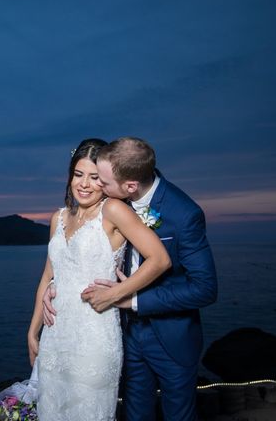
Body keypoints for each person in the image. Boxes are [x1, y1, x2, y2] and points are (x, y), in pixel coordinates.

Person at [45, 137, 218, 420]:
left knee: (179, 414)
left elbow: (205, 289)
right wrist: (54, 285)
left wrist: (130, 298)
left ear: (130, 186)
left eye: (102, 180)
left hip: (170, 337)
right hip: (123, 334)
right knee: (134, 414)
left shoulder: (184, 214)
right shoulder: (117, 200)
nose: (95, 185)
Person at [28, 138, 171, 421]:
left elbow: (160, 259)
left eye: (94, 177)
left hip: (94, 337)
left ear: (106, 180)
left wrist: (117, 293)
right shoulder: (58, 218)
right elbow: (48, 275)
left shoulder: (113, 211)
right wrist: (33, 331)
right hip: (55, 337)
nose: (84, 184)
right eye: (78, 175)